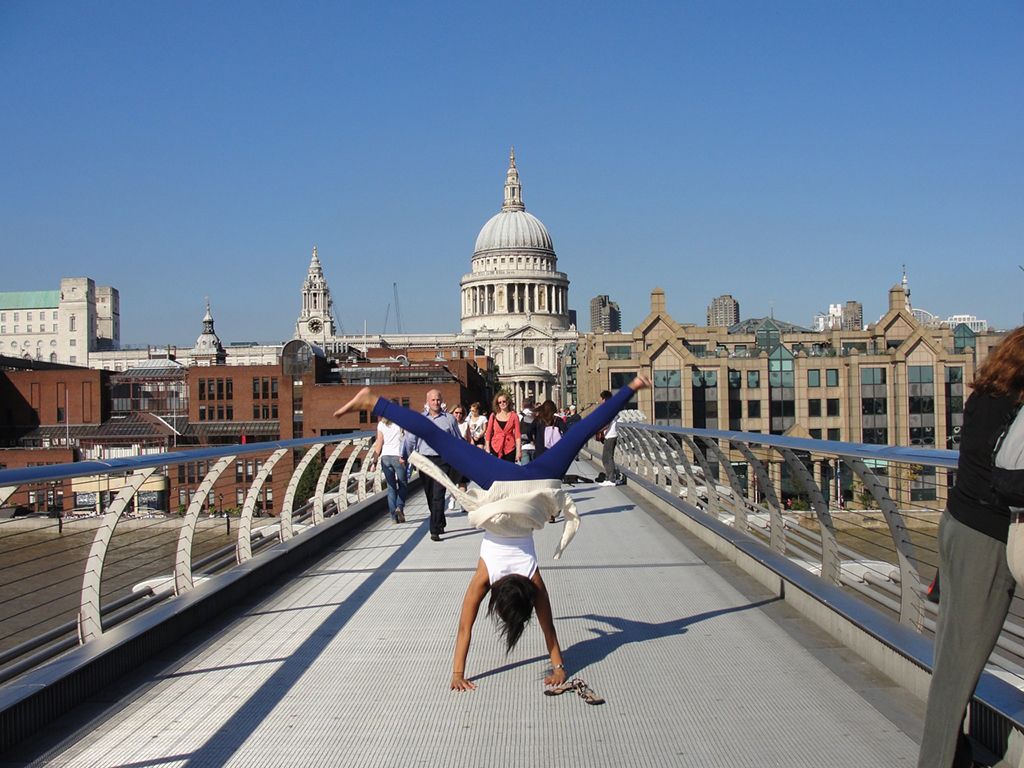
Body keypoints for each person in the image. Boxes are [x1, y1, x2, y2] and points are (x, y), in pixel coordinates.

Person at [334, 376, 652, 691]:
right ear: (497, 599)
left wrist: (559, 665)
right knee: (440, 438)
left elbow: (548, 628)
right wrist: (457, 674)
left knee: (579, 431)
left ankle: (634, 385)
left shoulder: (533, 581)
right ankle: (372, 401)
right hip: (500, 483)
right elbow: (464, 629)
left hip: (534, 482)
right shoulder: (485, 576)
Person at [917, 327, 1024, 768]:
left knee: (951, 658)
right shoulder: (1016, 408)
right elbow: (1008, 480)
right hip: (987, 536)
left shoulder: (984, 395)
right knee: (957, 670)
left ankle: (952, 755)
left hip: (957, 523)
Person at [401, 388, 462, 541]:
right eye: (433, 400)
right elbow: (410, 439)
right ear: (427, 401)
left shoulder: (449, 419)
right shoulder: (420, 419)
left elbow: (457, 439)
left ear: (442, 401)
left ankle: (434, 530)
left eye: (438, 400)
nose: (436, 402)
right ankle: (439, 520)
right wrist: (405, 455)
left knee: (438, 494)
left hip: (443, 460)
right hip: (425, 460)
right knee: (430, 495)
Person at [370, 411, 407, 523]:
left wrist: (374, 462)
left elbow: (379, 443)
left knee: (391, 487)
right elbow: (406, 440)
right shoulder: (401, 422)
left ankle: (393, 517)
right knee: (403, 484)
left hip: (385, 457)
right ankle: (399, 507)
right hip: (398, 456)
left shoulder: (381, 424)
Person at [597, 389, 624, 486]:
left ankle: (611, 479)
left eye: (601, 398)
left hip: (611, 435)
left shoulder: (610, 409)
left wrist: (599, 430)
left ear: (604, 399)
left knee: (607, 458)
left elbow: (607, 423)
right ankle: (610, 477)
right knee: (607, 457)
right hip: (611, 435)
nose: (600, 400)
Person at [449, 404, 473, 510]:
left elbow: (469, 439)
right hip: (452, 456)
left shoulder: (465, 424)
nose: (458, 415)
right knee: (452, 481)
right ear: (452, 413)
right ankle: (453, 498)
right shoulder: (448, 424)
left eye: (461, 413)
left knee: (462, 481)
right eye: (456, 413)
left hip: (463, 456)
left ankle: (463, 503)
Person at [484, 393, 521, 462]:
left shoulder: (514, 416)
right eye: (499, 402)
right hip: (495, 447)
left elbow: (517, 435)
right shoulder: (493, 415)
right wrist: (487, 447)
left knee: (509, 471)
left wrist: (518, 451)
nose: (502, 404)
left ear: (508, 401)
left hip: (510, 448)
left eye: (504, 401)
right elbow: (488, 432)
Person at [519, 400, 537, 465]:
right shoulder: (535, 416)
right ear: (532, 405)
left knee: (525, 469)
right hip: (534, 445)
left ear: (523, 405)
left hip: (523, 445)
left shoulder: (520, 416)